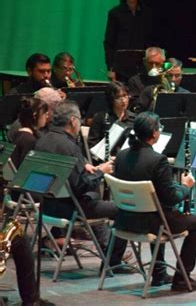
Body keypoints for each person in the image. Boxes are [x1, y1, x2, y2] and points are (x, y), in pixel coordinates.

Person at [113, 111, 196, 291]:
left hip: (124, 220)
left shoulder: (122, 156)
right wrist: (186, 187)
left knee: (159, 210)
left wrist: (176, 187)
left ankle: (159, 272)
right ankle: (181, 278)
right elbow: (171, 197)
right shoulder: (158, 160)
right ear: (155, 133)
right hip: (151, 223)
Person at [34, 101, 127, 267]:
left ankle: (106, 248)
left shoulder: (43, 140)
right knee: (124, 209)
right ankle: (113, 260)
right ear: (72, 120)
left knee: (93, 198)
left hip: (46, 205)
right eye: (79, 119)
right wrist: (101, 172)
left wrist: (86, 168)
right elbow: (79, 186)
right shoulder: (69, 146)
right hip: (70, 208)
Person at [103, 0, 153, 82]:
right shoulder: (115, 13)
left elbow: (150, 40)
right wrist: (110, 68)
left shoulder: (147, 13)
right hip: (120, 66)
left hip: (141, 64)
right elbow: (109, 43)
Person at [88, 82, 135, 154]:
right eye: (118, 97)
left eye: (125, 95)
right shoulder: (100, 118)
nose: (123, 100)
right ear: (111, 99)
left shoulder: (134, 118)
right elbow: (92, 144)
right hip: (106, 160)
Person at [10, 98, 48, 168]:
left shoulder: (20, 133)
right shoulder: (29, 140)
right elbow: (25, 168)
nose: (47, 116)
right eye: (44, 113)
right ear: (35, 115)